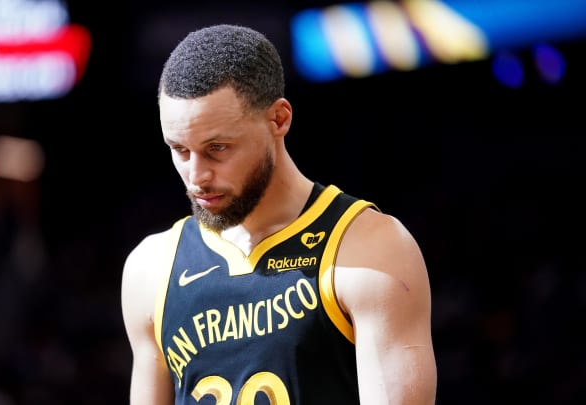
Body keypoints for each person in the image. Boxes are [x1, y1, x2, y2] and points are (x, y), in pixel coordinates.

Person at [121, 23, 437, 405]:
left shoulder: (370, 250)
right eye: (180, 150)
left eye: (217, 148)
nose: (197, 175)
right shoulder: (150, 269)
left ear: (279, 119)